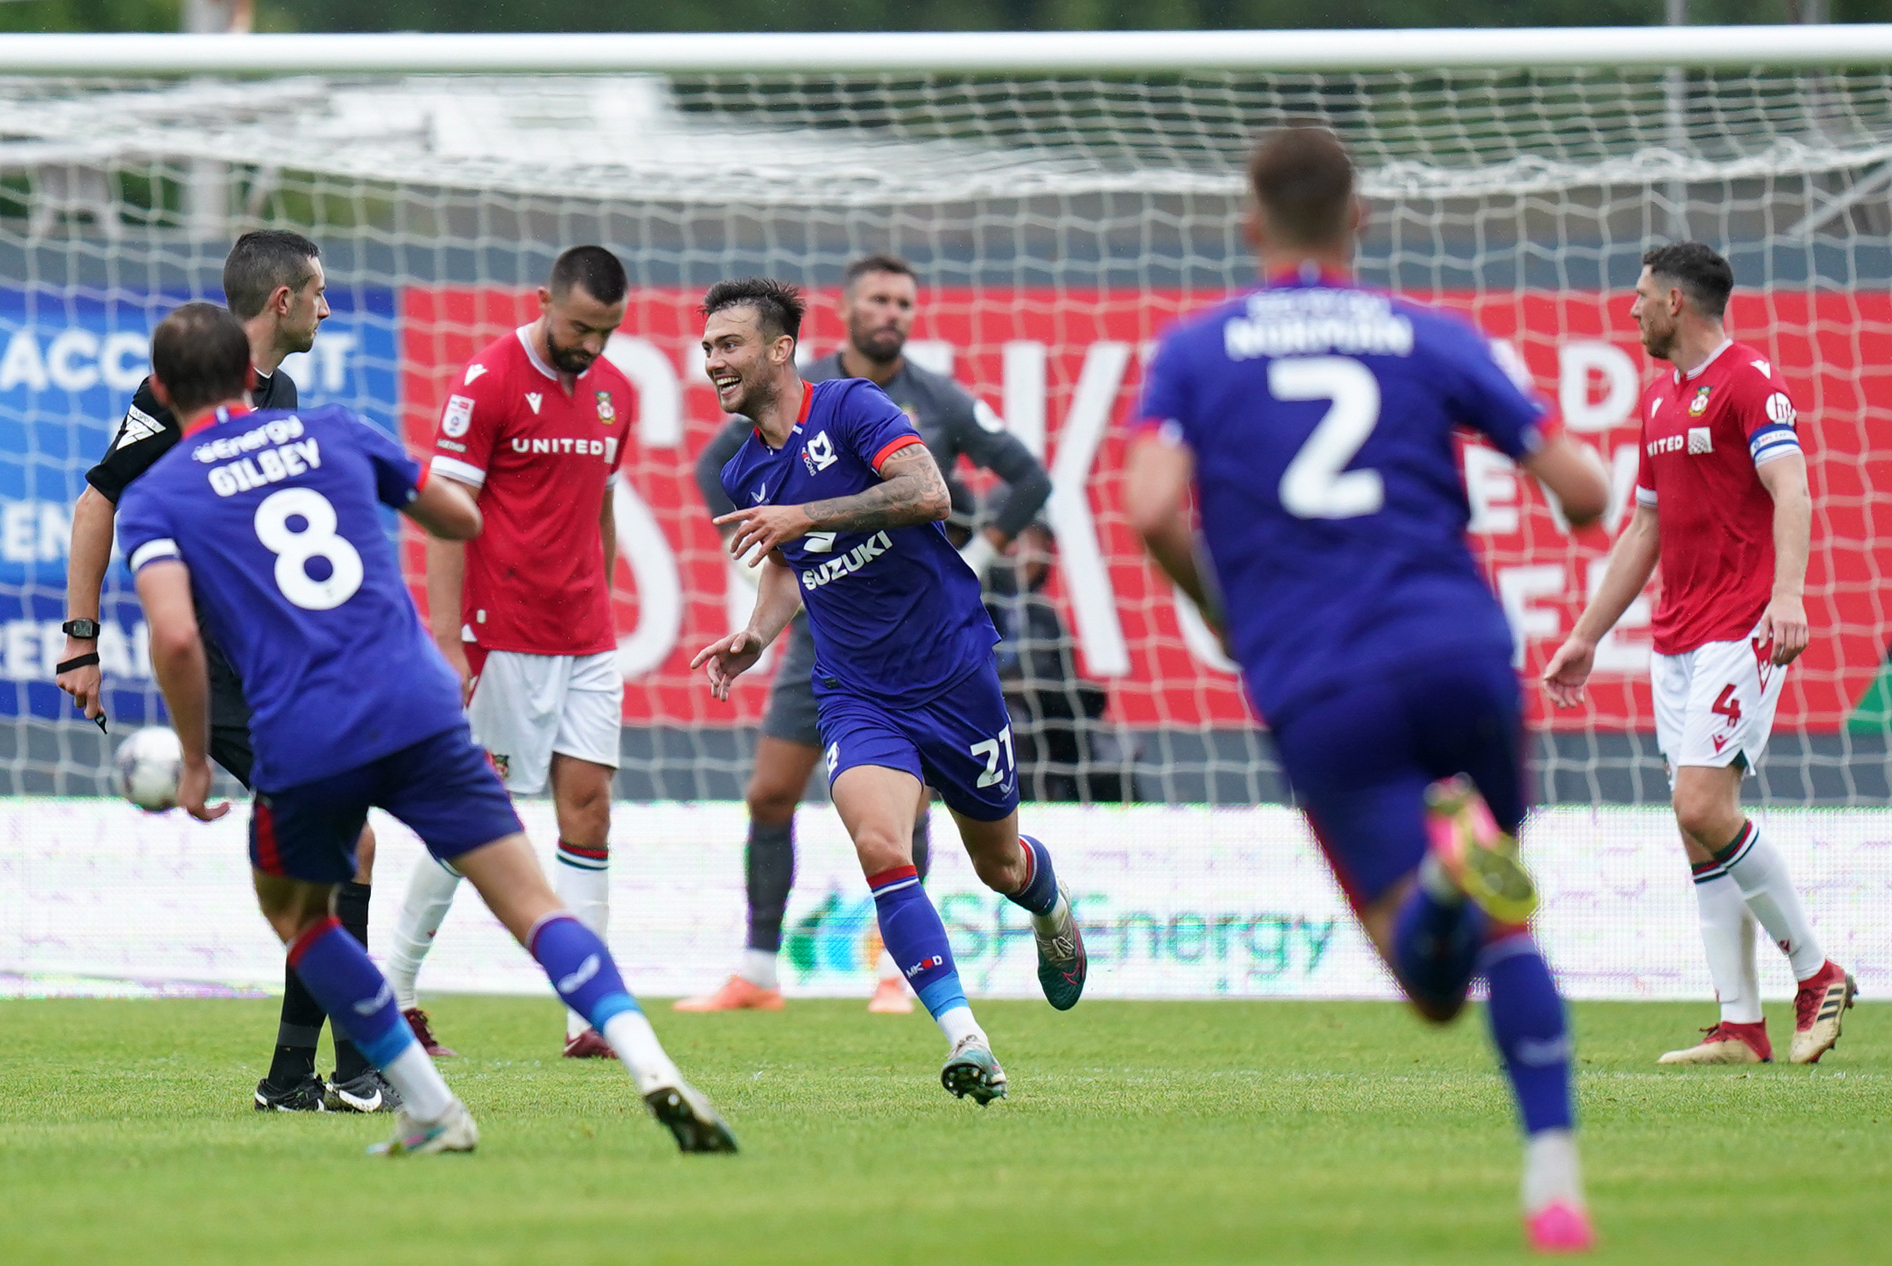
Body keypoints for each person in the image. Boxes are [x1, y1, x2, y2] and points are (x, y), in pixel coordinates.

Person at [1123, 124, 1610, 1252]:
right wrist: (1571, 507)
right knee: (1497, 920)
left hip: (1318, 678)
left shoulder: (1196, 351)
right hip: (1459, 655)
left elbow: (1150, 507)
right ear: (1359, 218)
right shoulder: (1426, 334)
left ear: (1249, 224)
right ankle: (1552, 1177)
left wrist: (1224, 617)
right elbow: (1579, 486)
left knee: (1428, 984)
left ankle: (1447, 889)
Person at [116, 301, 734, 1156]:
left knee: (298, 914)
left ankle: (430, 1104)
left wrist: (194, 762)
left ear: (161, 388)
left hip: (304, 731)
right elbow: (459, 517)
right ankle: (653, 1064)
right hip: (416, 702)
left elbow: (177, 638)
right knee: (530, 901)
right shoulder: (335, 429)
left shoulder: (157, 496)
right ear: (241, 374)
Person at [690, 278, 1084, 1104]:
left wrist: (809, 517)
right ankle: (966, 1037)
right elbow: (789, 578)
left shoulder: (853, 408)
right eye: (707, 348)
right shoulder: (744, 471)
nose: (712, 360)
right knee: (880, 847)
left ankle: (1051, 912)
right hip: (855, 689)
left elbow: (928, 494)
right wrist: (754, 638)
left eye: (728, 345)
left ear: (780, 349)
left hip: (951, 670)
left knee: (1001, 865)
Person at [54, 230, 393, 1114]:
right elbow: (99, 500)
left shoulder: (279, 393)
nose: (329, 305)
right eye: (318, 290)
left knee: (343, 843)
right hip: (219, 667)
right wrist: (81, 641)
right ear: (280, 299)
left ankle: (309, 1075)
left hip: (273, 658)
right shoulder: (183, 388)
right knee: (342, 842)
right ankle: (339, 1072)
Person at [1544, 242, 1855, 1067]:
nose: (1631, 307)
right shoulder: (1658, 399)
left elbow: (1792, 487)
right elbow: (1644, 528)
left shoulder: (1750, 381)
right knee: (1696, 829)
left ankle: (1816, 970)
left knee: (1701, 808)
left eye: (1641, 295)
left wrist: (1787, 596)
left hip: (1742, 627)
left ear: (1676, 302)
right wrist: (1586, 635)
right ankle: (1739, 1024)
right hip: (1676, 637)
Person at [382, 246, 637, 1060]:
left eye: (605, 332)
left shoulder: (616, 394)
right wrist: (451, 639)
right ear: (543, 302)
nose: (591, 347)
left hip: (587, 636)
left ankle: (588, 1014)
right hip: (504, 637)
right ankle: (395, 992)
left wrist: (604, 588)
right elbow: (444, 513)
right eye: (578, 327)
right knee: (476, 819)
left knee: (589, 806)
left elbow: (600, 504)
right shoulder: (488, 381)